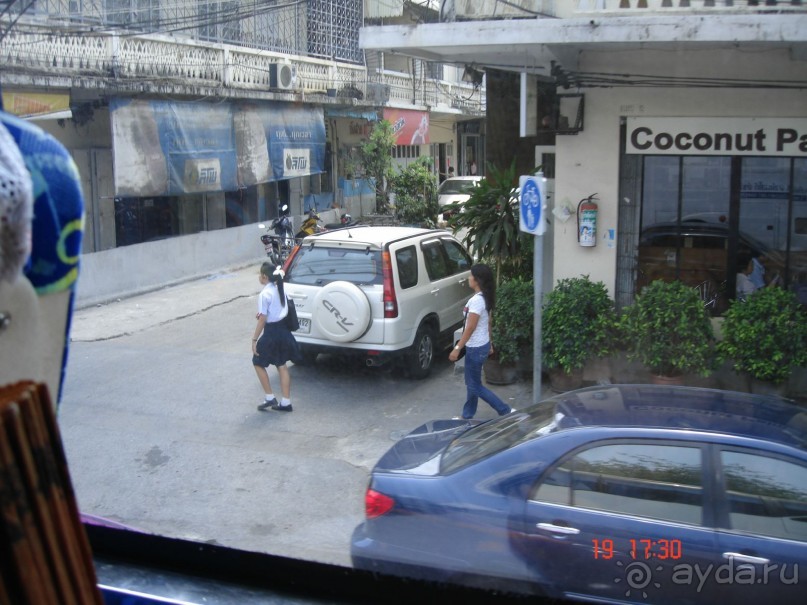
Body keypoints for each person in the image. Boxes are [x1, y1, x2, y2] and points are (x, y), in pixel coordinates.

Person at [448, 264, 514, 419]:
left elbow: (470, 327)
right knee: (473, 383)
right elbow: (488, 322)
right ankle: (468, 414)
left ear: (477, 280)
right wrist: (490, 343)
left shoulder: (477, 301)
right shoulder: (486, 296)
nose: (468, 278)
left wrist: (458, 347)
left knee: (474, 385)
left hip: (475, 348)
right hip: (482, 345)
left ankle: (505, 410)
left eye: (471, 276)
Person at [252, 262, 299, 412]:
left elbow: (263, 319)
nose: (259, 277)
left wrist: (254, 339)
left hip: (271, 332)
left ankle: (269, 397)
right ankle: (286, 402)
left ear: (264, 277)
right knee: (281, 365)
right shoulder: (279, 288)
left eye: (260, 275)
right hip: (284, 330)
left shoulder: (264, 294)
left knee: (257, 361)